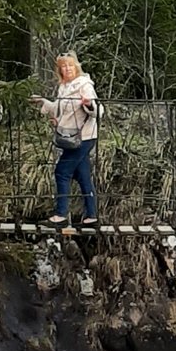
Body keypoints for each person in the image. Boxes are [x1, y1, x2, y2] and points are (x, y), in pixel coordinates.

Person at [29, 52, 102, 226]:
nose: (67, 69)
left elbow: (98, 111)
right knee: (83, 175)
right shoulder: (64, 87)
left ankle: (61, 215)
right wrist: (43, 102)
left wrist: (88, 104)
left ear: (76, 66)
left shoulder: (84, 85)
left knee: (62, 172)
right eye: (63, 66)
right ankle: (92, 216)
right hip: (71, 136)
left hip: (83, 137)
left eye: (70, 65)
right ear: (60, 70)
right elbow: (60, 109)